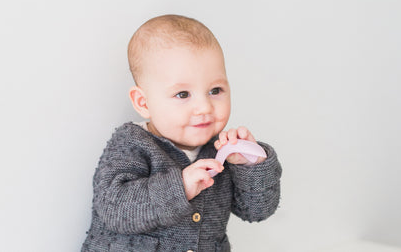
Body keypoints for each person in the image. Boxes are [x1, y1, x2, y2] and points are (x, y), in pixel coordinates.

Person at [81, 14, 282, 252]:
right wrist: (180, 187)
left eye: (215, 90)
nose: (205, 108)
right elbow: (114, 209)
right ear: (143, 102)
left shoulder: (221, 150)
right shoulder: (133, 143)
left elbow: (257, 211)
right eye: (183, 95)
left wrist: (250, 166)